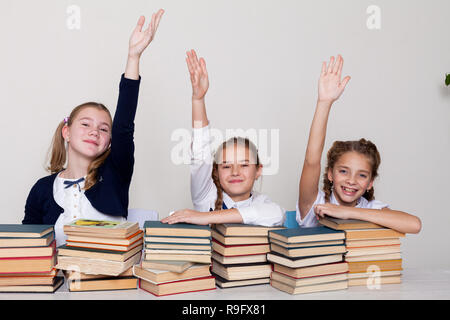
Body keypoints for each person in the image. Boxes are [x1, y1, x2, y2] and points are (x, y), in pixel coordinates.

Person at [22, 10, 165, 245]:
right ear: (66, 132)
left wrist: (133, 57)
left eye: (103, 129)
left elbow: (124, 126)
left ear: (109, 141)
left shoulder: (115, 174)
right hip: (62, 280)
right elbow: (28, 246)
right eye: (86, 124)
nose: (94, 132)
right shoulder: (42, 189)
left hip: (109, 279)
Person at [296, 55, 421, 234]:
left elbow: (414, 225)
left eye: (362, 175)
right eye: (343, 171)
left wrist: (348, 212)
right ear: (330, 173)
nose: (351, 181)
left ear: (370, 183)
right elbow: (311, 161)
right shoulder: (315, 203)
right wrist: (324, 103)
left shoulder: (368, 207)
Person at [162, 50, 285, 226]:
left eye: (244, 165)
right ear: (216, 172)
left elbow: (277, 215)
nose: (235, 172)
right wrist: (198, 99)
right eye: (226, 166)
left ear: (258, 170)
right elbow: (200, 152)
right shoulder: (206, 196)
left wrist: (203, 217)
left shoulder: (263, 205)